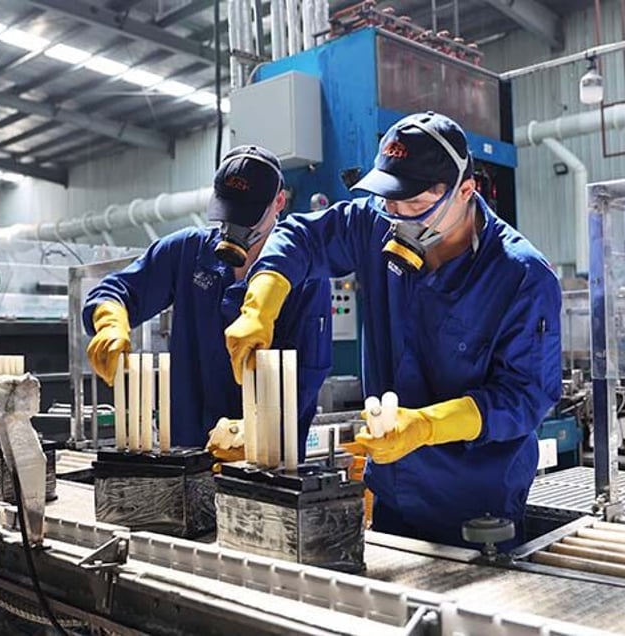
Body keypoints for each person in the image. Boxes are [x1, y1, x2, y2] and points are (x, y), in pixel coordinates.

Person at [225, 112, 562, 548]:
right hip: (392, 497)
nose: (399, 218)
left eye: (416, 205)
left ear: (465, 191)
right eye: (390, 202)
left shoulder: (521, 276)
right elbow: (302, 238)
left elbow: (524, 396)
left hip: (478, 510)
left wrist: (425, 425)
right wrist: (260, 305)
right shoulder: (375, 223)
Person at [84, 145, 332, 460]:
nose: (234, 228)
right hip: (186, 454)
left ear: (279, 202)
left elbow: (307, 375)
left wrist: (257, 432)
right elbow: (117, 289)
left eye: (247, 218)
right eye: (228, 214)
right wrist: (109, 321)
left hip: (266, 463)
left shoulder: (307, 277)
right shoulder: (187, 251)